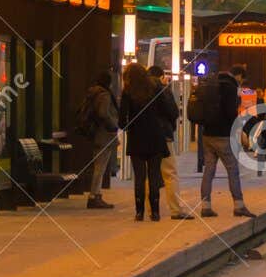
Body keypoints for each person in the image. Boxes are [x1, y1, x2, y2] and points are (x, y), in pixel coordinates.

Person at [187, 65, 253, 219]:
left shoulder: (212, 83)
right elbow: (231, 114)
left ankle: (206, 206)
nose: (241, 84)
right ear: (238, 76)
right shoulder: (229, 87)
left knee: (209, 170)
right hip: (223, 136)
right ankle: (239, 205)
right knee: (232, 169)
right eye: (242, 81)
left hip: (207, 134)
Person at [118, 62, 171, 222]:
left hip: (137, 138)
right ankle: (155, 212)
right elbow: (167, 111)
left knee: (139, 177)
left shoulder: (128, 92)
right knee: (154, 175)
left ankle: (139, 212)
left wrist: (130, 125)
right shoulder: (155, 89)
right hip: (155, 136)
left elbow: (122, 121)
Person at [147, 65, 195, 220]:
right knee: (170, 173)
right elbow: (173, 112)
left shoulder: (140, 90)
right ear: (161, 77)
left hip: (147, 137)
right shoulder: (163, 89)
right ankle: (176, 210)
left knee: (150, 174)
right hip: (163, 136)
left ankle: (150, 210)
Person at [80, 70, 118, 210]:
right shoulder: (104, 95)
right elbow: (103, 113)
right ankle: (94, 196)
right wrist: (113, 126)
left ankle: (96, 195)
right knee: (100, 167)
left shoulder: (92, 93)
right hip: (104, 134)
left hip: (96, 134)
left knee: (98, 165)